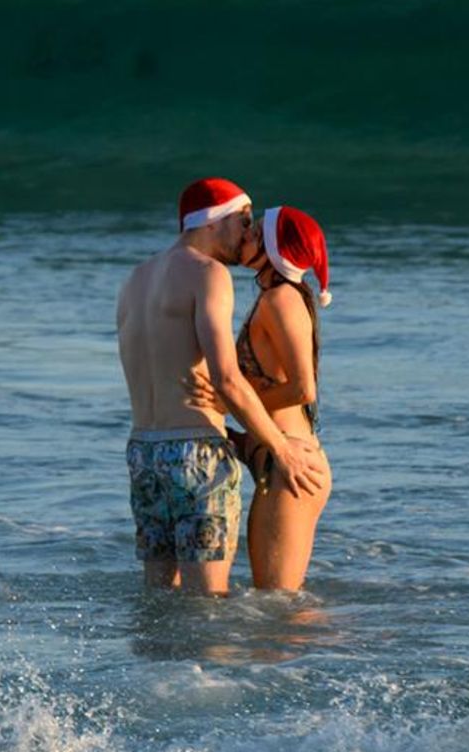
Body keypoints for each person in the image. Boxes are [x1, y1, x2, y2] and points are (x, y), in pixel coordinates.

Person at [117, 179, 326, 595]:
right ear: (215, 222)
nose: (249, 234)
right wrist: (282, 451)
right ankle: (204, 665)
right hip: (196, 454)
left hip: (143, 452)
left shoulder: (135, 279)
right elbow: (226, 379)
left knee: (158, 601)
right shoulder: (208, 273)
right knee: (207, 606)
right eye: (245, 222)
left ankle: (155, 665)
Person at [186, 206, 332, 592]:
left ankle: (358, 650)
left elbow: (303, 389)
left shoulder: (281, 299)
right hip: (273, 455)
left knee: (279, 608)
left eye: (255, 234)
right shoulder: (274, 297)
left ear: (273, 249)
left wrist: (227, 402)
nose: (244, 236)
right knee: (273, 608)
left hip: (291, 466)